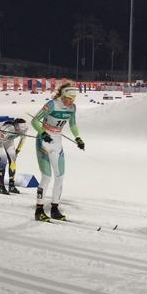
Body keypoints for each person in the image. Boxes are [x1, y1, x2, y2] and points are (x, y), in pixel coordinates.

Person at [30, 82, 84, 221]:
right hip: (44, 141)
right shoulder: (52, 104)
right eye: (68, 98)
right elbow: (35, 121)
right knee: (46, 177)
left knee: (60, 177)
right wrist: (43, 133)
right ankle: (39, 211)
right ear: (63, 95)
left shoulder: (72, 108)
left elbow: (72, 124)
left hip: (57, 141)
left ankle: (54, 209)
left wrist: (78, 138)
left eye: (73, 99)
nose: (70, 101)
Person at [0, 117, 27, 194]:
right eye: (21, 127)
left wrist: (17, 151)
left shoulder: (24, 129)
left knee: (13, 159)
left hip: (8, 139)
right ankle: (1, 187)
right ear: (16, 126)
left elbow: (23, 140)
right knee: (4, 159)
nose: (23, 129)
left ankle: (11, 186)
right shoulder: (7, 129)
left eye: (24, 127)